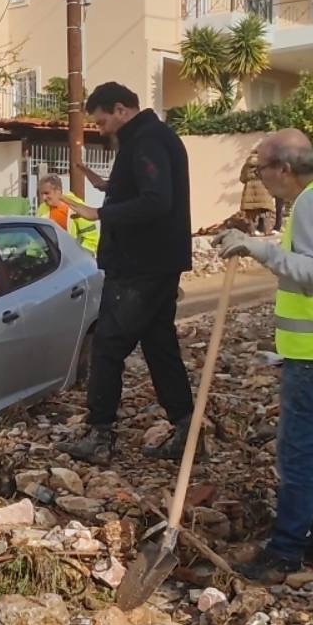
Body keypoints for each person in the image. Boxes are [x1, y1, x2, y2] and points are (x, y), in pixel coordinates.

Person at [214, 129, 313, 582]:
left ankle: (286, 550)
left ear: (284, 168)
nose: (260, 177)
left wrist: (259, 249)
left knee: (298, 452)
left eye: (261, 167)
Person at [56, 82, 194, 465]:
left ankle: (100, 434)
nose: (101, 130)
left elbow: (155, 200)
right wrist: (109, 187)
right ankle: (187, 431)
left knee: (108, 346)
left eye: (101, 121)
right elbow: (147, 191)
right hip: (157, 263)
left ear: (121, 109)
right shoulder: (153, 139)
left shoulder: (146, 141)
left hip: (139, 267)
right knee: (159, 346)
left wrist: (100, 212)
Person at [36, 174, 100, 253]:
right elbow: (37, 238)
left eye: (46, 193)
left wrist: (78, 256)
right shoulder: (42, 209)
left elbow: (91, 239)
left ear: (58, 190)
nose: (43, 198)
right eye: (41, 194)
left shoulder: (77, 207)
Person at [240, 151, 277, 235]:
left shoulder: (246, 166)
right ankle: (267, 231)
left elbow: (242, 179)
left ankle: (252, 231)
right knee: (266, 211)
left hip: (249, 189)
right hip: (263, 187)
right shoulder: (264, 164)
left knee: (250, 213)